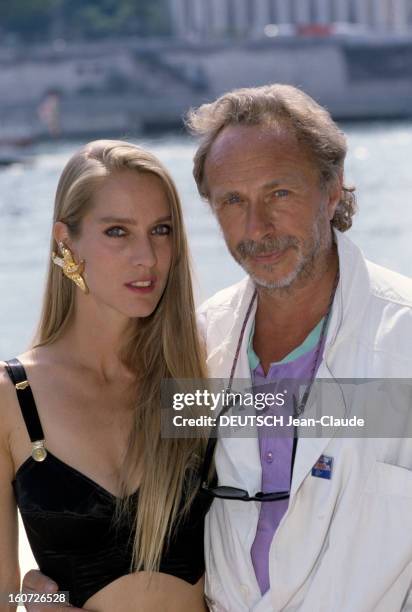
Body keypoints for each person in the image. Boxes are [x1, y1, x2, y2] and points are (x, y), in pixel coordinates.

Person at [22, 85, 412, 612]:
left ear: (333, 189)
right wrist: (36, 596)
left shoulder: (402, 339)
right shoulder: (197, 348)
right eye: (233, 200)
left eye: (280, 193)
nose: (258, 227)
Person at [0, 140, 212, 612]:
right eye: (118, 231)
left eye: (161, 230)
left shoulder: (196, 377)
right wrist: (36, 604)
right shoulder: (11, 397)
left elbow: (357, 417)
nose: (148, 257)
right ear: (65, 241)